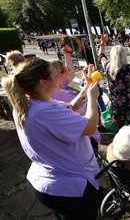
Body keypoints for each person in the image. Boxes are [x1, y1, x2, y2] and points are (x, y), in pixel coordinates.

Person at [1, 58, 101, 219]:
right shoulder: (43, 112)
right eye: (55, 75)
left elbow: (71, 109)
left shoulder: (29, 103)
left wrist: (87, 88)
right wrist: (93, 99)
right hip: (69, 188)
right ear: (43, 82)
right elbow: (90, 127)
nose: (60, 77)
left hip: (47, 183)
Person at [99, 45, 130, 128]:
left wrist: (102, 44)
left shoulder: (108, 67)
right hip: (129, 103)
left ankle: (122, 139)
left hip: (115, 103)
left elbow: (101, 56)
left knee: (120, 126)